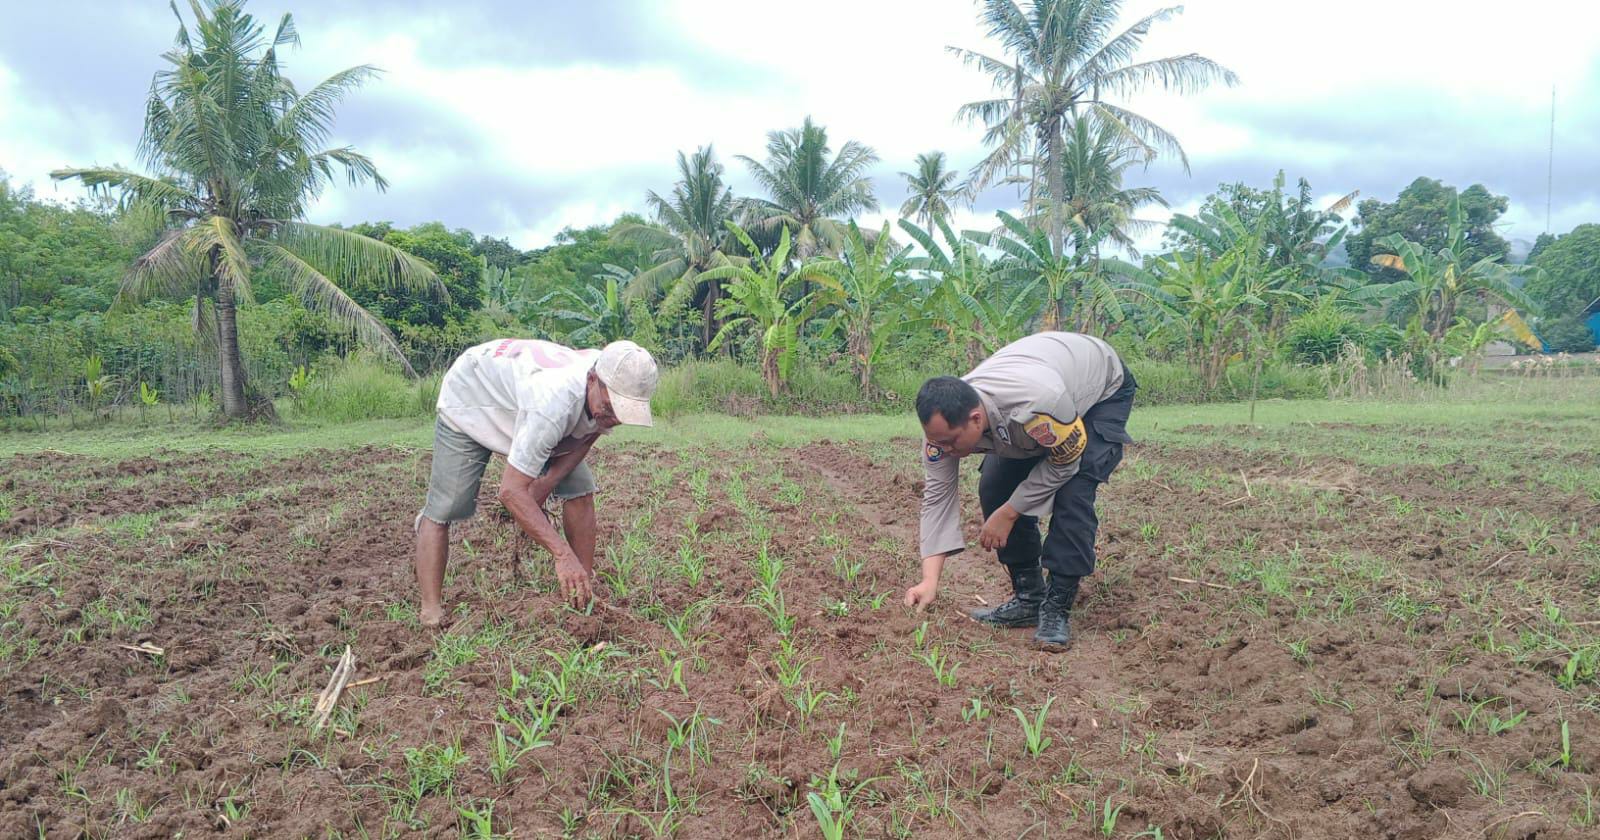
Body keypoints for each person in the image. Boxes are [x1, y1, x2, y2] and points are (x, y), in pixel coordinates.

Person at [903, 332, 1136, 648]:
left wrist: (1010, 513)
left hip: (1099, 389)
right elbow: (937, 499)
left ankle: (1056, 608)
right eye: (937, 442)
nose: (945, 449)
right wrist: (930, 580)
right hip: (1040, 390)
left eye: (951, 442)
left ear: (975, 419)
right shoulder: (942, 431)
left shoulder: (1038, 404)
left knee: (1073, 494)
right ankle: (1029, 598)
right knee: (995, 485)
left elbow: (1065, 463)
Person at [413, 338, 658, 627]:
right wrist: (562, 554)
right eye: (610, 407)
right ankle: (430, 610)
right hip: (473, 397)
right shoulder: (553, 403)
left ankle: (582, 589)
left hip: (525, 404)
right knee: (448, 506)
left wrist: (547, 482)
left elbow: (591, 431)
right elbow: (510, 491)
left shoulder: (611, 376)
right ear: (593, 380)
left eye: (622, 412)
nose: (614, 417)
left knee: (580, 489)